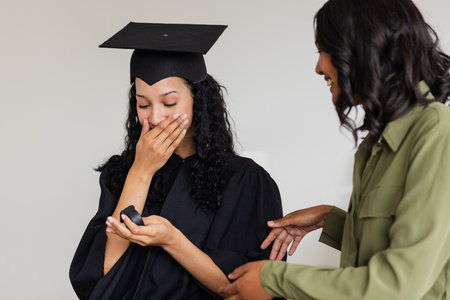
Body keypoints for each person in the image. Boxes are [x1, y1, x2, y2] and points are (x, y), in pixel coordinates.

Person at [218, 0, 450, 299]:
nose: (318, 67)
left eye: (323, 51)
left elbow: (399, 284)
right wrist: (331, 219)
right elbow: (387, 243)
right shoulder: (376, 144)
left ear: (361, 50)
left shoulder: (435, 135)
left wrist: (275, 279)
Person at [69, 22, 283, 300]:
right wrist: (141, 171)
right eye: (143, 104)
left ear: (198, 101)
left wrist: (172, 240)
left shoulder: (245, 180)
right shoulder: (119, 174)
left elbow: (247, 290)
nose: (155, 118)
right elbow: (101, 279)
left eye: (169, 103)